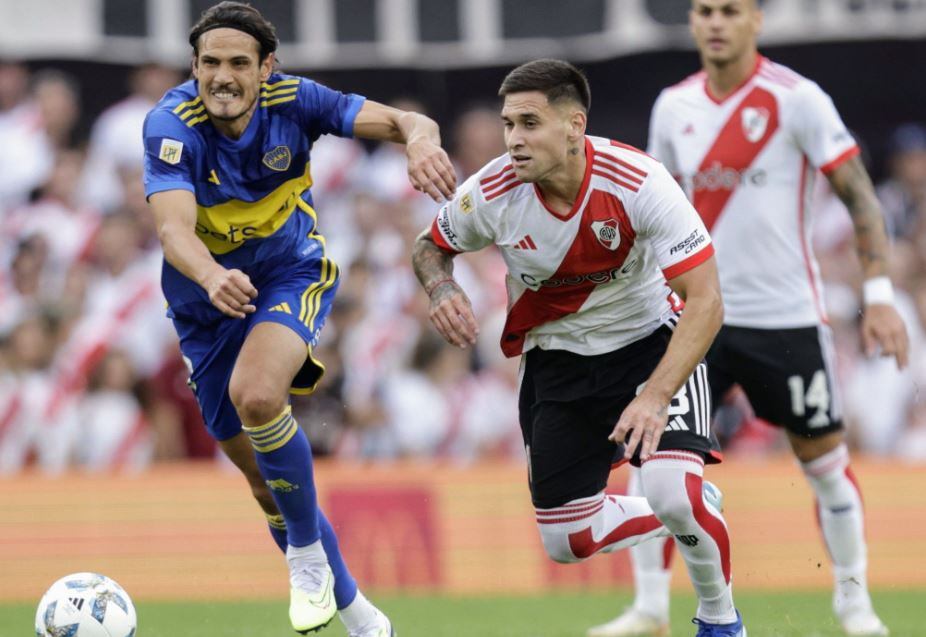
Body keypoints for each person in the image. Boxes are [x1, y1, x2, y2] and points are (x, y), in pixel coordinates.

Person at [588, 2, 909, 637]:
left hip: (784, 317)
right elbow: (650, 205)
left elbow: (859, 194)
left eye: (730, 11)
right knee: (650, 450)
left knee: (822, 460)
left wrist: (878, 292)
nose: (715, 22)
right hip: (692, 315)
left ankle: (853, 602)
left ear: (756, 20)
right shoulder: (673, 106)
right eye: (704, 10)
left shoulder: (798, 99)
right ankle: (652, 607)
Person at [142, 2, 456, 635]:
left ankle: (307, 562)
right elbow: (174, 231)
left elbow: (408, 120)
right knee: (264, 486)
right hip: (203, 303)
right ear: (194, 67)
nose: (222, 77)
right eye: (210, 63)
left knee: (258, 395)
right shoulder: (170, 125)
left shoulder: (299, 101)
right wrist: (211, 277)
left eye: (238, 63)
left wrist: (420, 141)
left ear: (266, 69)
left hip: (290, 275)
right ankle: (365, 619)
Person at [413, 58, 746, 637]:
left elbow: (707, 301)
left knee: (670, 488)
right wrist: (442, 287)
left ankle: (719, 620)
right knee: (567, 542)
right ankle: (691, 509)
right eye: (508, 123)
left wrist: (655, 395)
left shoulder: (639, 182)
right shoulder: (490, 192)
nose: (513, 139)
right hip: (557, 364)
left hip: (649, 347)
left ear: (574, 126)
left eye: (529, 123)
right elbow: (428, 246)